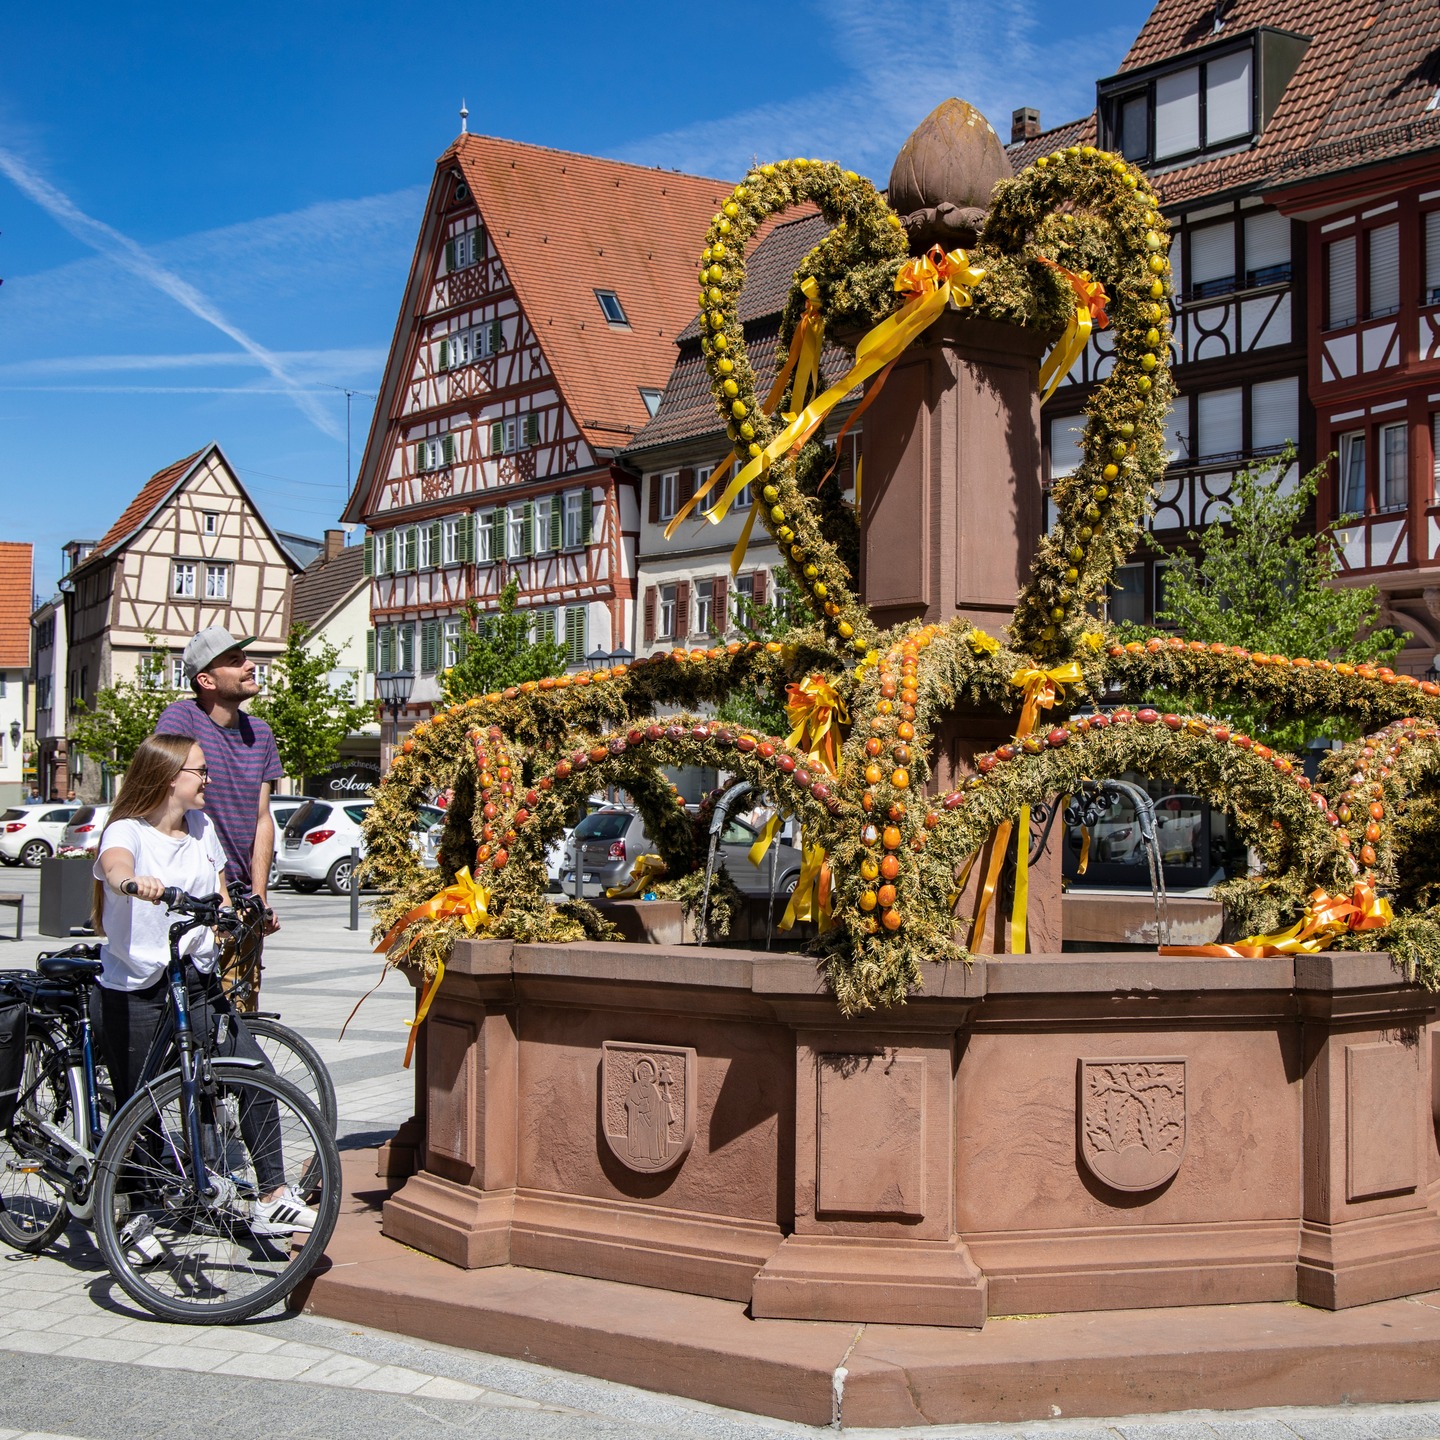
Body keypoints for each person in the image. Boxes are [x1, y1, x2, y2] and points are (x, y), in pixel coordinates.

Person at [90, 733, 315, 1257]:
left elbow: (218, 898)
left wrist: (247, 918)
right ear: (170, 777)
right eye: (200, 772)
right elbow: (115, 864)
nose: (208, 780)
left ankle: (273, 1193)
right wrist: (132, 884)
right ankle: (137, 1213)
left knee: (255, 1073)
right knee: (140, 1104)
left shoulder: (201, 827)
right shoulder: (127, 831)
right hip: (138, 987)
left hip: (197, 981)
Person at [156, 627, 283, 1010]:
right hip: (195, 902)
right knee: (187, 1026)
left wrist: (259, 897)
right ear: (205, 680)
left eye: (244, 658)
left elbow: (263, 818)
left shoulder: (260, 734)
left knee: (240, 1023)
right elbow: (167, 805)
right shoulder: (181, 720)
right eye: (234, 661)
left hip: (242, 906)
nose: (249, 666)